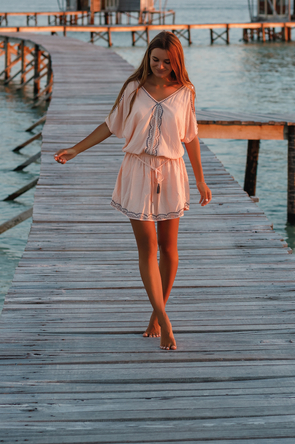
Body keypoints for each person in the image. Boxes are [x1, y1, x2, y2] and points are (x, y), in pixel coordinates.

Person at [54, 32, 211, 350]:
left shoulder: (185, 92)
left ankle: (156, 312)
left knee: (168, 248)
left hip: (171, 172)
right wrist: (75, 149)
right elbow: (111, 125)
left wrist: (201, 179)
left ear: (177, 61)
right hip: (137, 170)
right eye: (155, 60)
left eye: (167, 62)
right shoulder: (133, 89)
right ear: (147, 58)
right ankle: (165, 321)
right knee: (148, 247)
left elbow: (190, 136)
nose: (160, 67)